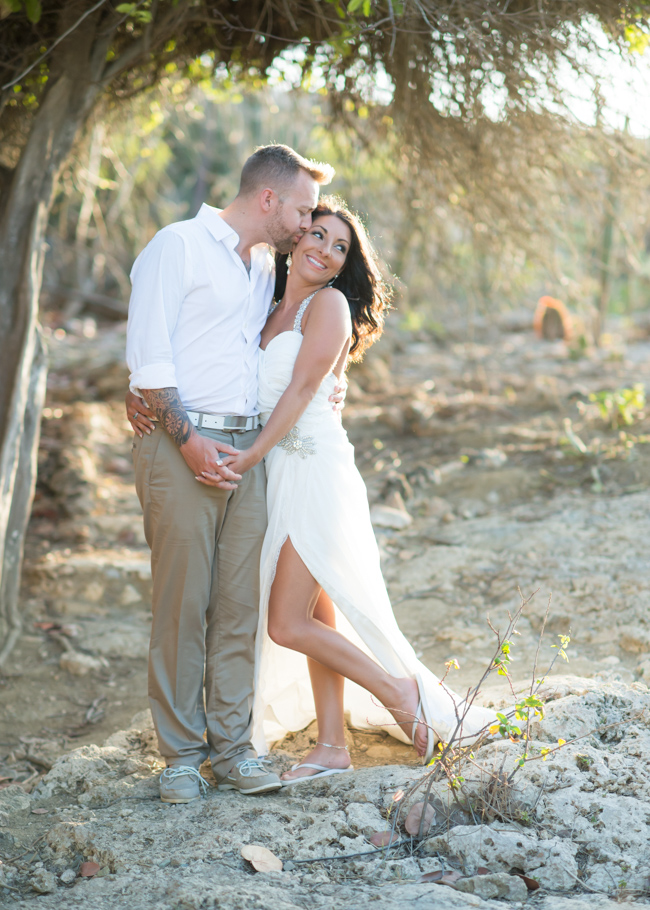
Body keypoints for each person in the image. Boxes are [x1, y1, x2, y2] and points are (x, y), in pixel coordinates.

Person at [197, 197, 497, 783]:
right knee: (316, 610)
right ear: (294, 240)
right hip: (277, 475)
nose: (326, 251)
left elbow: (303, 389)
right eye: (317, 235)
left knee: (286, 621)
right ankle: (333, 744)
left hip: (313, 473)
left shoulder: (328, 304)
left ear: (343, 267)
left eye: (340, 248)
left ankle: (399, 692)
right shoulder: (265, 310)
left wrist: (253, 451)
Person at [125, 145, 346, 802]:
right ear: (269, 200)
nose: (309, 226)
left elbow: (287, 351)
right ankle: (181, 758)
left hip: (248, 448)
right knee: (181, 602)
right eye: (305, 211)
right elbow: (150, 348)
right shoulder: (178, 246)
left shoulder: (259, 269)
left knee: (238, 605)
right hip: (181, 442)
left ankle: (232, 748)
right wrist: (185, 438)